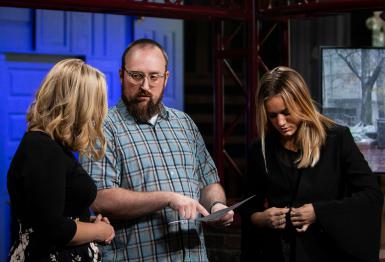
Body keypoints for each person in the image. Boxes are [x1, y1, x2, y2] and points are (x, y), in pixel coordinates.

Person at [80, 38, 234, 261]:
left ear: (166, 78)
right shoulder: (102, 127)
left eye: (154, 77)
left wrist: (217, 205)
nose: (145, 86)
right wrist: (167, 198)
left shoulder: (184, 123)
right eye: (136, 76)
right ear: (122, 75)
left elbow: (209, 182)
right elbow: (100, 198)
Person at [241, 66, 383, 262]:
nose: (280, 122)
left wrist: (318, 212)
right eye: (272, 115)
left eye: (286, 112)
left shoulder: (336, 139)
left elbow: (371, 196)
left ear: (301, 103)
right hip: (277, 253)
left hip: (327, 252)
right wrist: (262, 219)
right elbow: (248, 206)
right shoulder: (260, 149)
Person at [7, 59, 115, 261]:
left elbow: (47, 213)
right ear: (79, 105)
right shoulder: (42, 148)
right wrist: (100, 231)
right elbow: (52, 228)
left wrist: (88, 224)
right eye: (95, 104)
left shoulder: (50, 146)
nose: (96, 114)